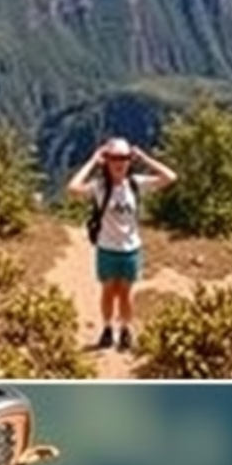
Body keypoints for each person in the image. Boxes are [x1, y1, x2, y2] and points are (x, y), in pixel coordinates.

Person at [66, 137, 177, 351]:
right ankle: (108, 329)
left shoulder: (136, 183)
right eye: (114, 157)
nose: (120, 162)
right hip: (107, 249)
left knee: (125, 294)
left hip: (130, 250)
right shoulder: (100, 187)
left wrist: (144, 157)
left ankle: (125, 330)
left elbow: (171, 177)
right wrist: (92, 160)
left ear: (130, 160)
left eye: (124, 158)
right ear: (107, 160)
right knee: (108, 292)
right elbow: (72, 188)